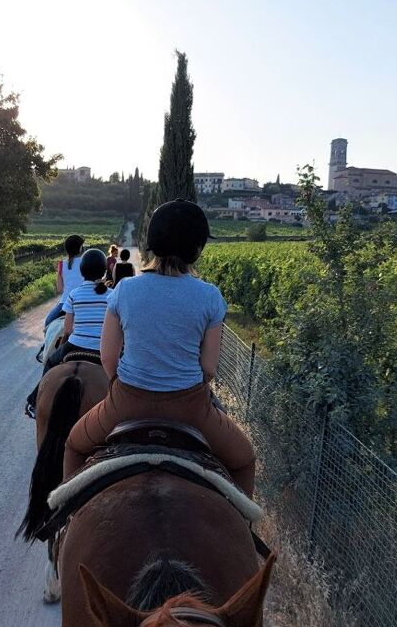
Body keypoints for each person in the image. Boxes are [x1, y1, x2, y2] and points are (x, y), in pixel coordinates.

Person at [64, 199, 256, 496]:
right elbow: (209, 368)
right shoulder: (209, 296)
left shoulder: (125, 289)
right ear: (197, 248)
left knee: (74, 445)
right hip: (191, 408)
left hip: (126, 402)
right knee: (245, 460)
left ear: (152, 243)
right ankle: (246, 533)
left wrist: (124, 386)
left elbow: (108, 357)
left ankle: (66, 522)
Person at [26, 249, 110, 417]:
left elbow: (67, 329)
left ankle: (34, 401)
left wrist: (64, 342)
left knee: (50, 362)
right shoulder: (112, 295)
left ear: (82, 271)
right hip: (102, 348)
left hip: (75, 345)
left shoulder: (74, 294)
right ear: (104, 271)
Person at [44, 234, 85, 328]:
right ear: (80, 248)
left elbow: (60, 289)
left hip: (65, 302)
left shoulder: (62, 264)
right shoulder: (86, 261)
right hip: (84, 300)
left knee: (48, 322)